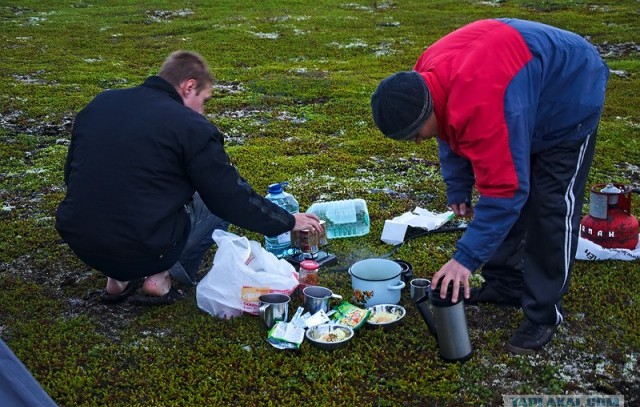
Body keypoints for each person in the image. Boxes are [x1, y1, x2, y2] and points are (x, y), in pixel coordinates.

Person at [371, 19, 609, 354]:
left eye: (413, 134)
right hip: (519, 89)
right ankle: (505, 284)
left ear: (425, 111)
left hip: (569, 92)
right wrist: (458, 186)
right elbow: (447, 129)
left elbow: (505, 192)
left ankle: (543, 313)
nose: (414, 142)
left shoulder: (485, 104)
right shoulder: (423, 80)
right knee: (508, 184)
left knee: (549, 206)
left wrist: (464, 259)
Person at [56, 50, 322, 305]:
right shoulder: (190, 126)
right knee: (213, 199)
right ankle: (161, 277)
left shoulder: (101, 103)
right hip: (145, 245)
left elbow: (73, 175)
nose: (202, 110)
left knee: (119, 185)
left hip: (81, 240)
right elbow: (228, 197)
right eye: (203, 100)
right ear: (188, 86)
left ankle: (118, 278)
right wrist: (286, 221)